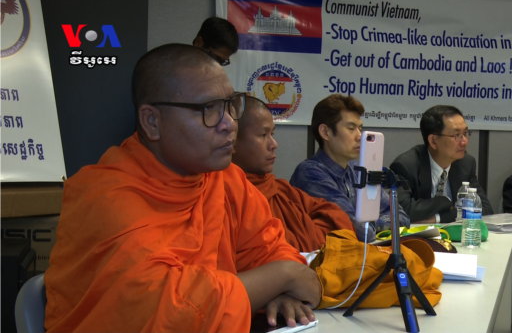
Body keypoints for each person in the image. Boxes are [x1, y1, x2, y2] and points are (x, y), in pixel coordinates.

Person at [44, 44, 320, 333]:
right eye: (208, 109)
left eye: (230, 105)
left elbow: (271, 247)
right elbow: (173, 311)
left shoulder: (225, 179)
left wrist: (283, 291)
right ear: (152, 122)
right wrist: (285, 276)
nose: (229, 124)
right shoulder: (107, 198)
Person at [232, 97, 355, 252]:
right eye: (263, 135)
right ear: (232, 141)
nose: (274, 144)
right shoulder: (229, 195)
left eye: (272, 134)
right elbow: (278, 251)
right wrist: (314, 235)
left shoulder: (280, 189)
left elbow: (340, 219)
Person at [290, 94, 409, 242]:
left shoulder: (357, 169)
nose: (360, 136)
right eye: (351, 128)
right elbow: (362, 232)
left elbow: (401, 217)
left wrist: (372, 223)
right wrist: (377, 224)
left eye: (360, 128)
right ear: (325, 132)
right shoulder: (310, 174)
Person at [390, 105, 493, 223]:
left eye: (465, 133)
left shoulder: (466, 164)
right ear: (433, 141)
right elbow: (399, 210)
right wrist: (444, 202)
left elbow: (485, 209)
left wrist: (438, 218)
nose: (464, 141)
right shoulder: (406, 166)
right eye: (457, 135)